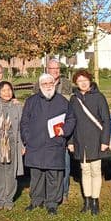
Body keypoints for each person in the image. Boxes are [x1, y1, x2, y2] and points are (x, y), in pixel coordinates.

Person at [20, 73, 76, 215]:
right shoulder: (31, 101)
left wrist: (64, 131)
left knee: (54, 175)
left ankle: (52, 203)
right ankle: (36, 201)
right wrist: (27, 138)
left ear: (54, 84)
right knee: (36, 175)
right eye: (44, 84)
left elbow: (71, 119)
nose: (48, 86)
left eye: (50, 83)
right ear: (40, 86)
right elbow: (24, 121)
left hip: (55, 144)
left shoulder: (62, 101)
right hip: (35, 144)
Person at [67, 69, 111, 215]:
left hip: (96, 140)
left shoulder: (99, 97)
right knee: (85, 170)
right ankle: (87, 201)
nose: (83, 83)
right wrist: (71, 141)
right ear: (76, 83)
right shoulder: (74, 99)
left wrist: (105, 141)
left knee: (96, 170)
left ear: (90, 80)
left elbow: (106, 120)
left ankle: (95, 201)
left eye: (85, 80)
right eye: (79, 81)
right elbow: (70, 121)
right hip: (80, 140)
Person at [33, 58, 74, 203]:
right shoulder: (38, 84)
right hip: (44, 132)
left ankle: (63, 192)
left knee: (64, 163)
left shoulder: (67, 84)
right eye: (52, 68)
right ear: (47, 69)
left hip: (62, 130)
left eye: (57, 68)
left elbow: (71, 105)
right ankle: (45, 193)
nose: (55, 71)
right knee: (45, 164)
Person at [0, 81, 24, 211]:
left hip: (13, 143)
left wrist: (22, 145)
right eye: (4, 90)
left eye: (9, 90)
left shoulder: (18, 107)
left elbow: (22, 128)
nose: (7, 93)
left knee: (11, 172)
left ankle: (9, 199)